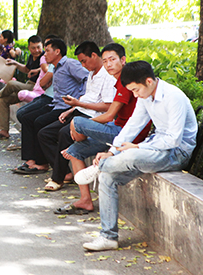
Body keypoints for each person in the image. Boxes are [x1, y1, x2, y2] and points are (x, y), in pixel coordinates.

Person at [78, 61, 197, 251]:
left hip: (176, 153)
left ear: (149, 81)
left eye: (135, 90)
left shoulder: (173, 97)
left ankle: (96, 168)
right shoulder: (145, 96)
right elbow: (133, 124)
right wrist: (112, 151)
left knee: (131, 155)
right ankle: (108, 237)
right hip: (154, 148)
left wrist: (138, 147)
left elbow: (174, 140)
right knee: (108, 178)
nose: (135, 95)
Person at [54, 43, 151, 215]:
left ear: (123, 60)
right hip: (116, 128)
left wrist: (77, 125)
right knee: (74, 150)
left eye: (112, 60)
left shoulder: (127, 80)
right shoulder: (119, 79)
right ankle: (85, 200)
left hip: (125, 134)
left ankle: (78, 130)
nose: (108, 65)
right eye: (105, 61)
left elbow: (108, 115)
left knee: (77, 121)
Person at [36, 41, 115, 191]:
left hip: (94, 117)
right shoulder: (91, 74)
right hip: (80, 111)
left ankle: (57, 178)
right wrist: (71, 109)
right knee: (44, 134)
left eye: (84, 61)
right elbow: (87, 98)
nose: (83, 66)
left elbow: (108, 106)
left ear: (93, 55)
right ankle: (64, 172)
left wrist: (79, 104)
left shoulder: (108, 76)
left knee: (64, 133)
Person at [14, 38, 88, 174]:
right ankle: (33, 160)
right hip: (56, 105)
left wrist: (80, 99)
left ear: (57, 51)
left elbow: (87, 78)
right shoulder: (56, 66)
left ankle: (43, 164)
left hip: (67, 108)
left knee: (40, 123)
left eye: (47, 51)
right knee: (27, 117)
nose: (44, 54)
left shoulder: (70, 64)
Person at [0, 35, 45, 140]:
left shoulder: (44, 57)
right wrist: (15, 63)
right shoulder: (32, 56)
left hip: (37, 88)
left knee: (12, 84)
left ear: (42, 46)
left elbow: (49, 68)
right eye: (33, 48)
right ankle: (3, 131)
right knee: (4, 99)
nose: (36, 50)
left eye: (39, 47)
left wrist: (38, 70)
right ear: (29, 48)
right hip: (29, 85)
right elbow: (26, 70)